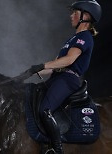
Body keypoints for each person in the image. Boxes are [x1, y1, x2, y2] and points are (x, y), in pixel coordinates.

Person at [28, 0, 102, 153]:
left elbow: (69, 60)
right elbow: (55, 64)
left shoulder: (85, 37)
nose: (71, 16)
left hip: (68, 80)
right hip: (57, 77)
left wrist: (43, 65)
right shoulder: (71, 40)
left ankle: (57, 149)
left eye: (75, 12)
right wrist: (32, 72)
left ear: (86, 16)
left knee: (45, 110)